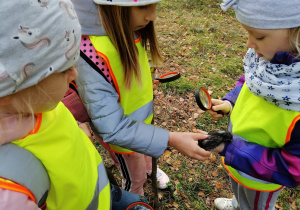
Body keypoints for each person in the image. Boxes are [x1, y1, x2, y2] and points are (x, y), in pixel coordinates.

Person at [0, 0, 159, 209]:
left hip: (102, 192)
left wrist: (76, 128)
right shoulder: (12, 190)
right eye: (65, 69)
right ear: (12, 87)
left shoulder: (41, 106)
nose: (75, 74)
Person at [71, 0, 211, 196]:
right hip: (122, 138)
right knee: (134, 178)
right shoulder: (91, 51)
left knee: (145, 155)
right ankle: (134, 199)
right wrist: (171, 139)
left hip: (141, 126)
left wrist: (142, 85)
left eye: (155, 5)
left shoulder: (128, 28)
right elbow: (112, 128)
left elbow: (122, 75)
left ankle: (148, 169)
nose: (152, 16)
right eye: (143, 6)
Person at [205, 0, 300, 209]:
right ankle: (237, 203)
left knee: (255, 204)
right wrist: (230, 102)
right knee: (239, 188)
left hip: (261, 177)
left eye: (258, 36)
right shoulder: (265, 60)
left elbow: (292, 169)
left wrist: (230, 148)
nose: (249, 43)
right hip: (237, 155)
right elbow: (249, 81)